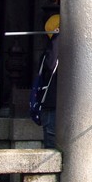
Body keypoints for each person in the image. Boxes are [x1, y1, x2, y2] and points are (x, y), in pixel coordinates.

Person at [39, 14, 60, 149]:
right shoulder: (51, 51)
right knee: (51, 146)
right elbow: (51, 65)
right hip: (52, 107)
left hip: (68, 108)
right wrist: (57, 38)